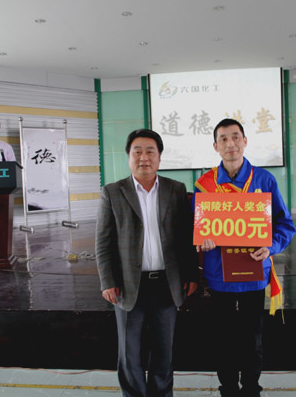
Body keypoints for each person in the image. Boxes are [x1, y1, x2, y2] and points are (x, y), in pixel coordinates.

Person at [195, 118, 296, 397]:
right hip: (219, 276)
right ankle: (227, 389)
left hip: (253, 274)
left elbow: (285, 224)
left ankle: (252, 389)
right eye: (224, 139)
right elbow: (195, 228)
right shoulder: (205, 185)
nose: (231, 144)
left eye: (236, 137)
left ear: (245, 141)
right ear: (215, 146)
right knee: (223, 339)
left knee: (253, 339)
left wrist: (271, 246)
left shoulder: (264, 180)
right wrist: (202, 240)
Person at [95, 129, 198, 397]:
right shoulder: (112, 192)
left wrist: (191, 275)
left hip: (167, 284)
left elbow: (186, 238)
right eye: (137, 151)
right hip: (129, 285)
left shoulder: (176, 190)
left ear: (159, 157)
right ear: (128, 157)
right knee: (130, 353)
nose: (144, 157)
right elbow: (103, 242)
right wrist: (107, 281)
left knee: (164, 353)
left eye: (150, 151)